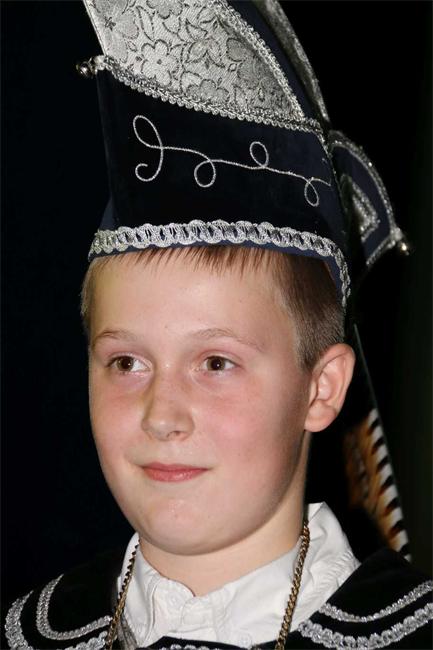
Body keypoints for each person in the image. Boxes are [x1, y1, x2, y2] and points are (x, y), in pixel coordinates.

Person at [4, 1, 432, 648]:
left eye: (214, 363)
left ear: (320, 388)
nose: (161, 416)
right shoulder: (29, 633)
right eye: (126, 362)